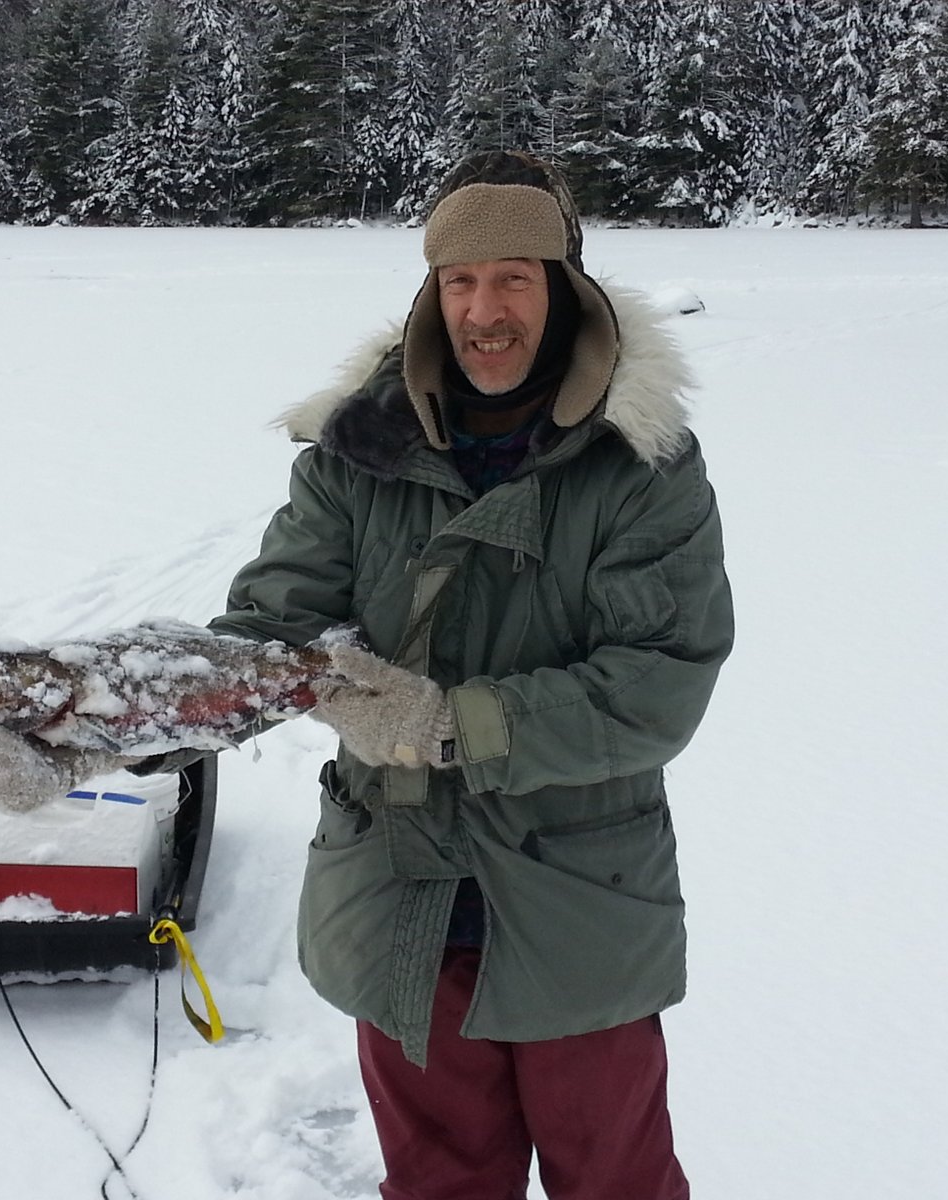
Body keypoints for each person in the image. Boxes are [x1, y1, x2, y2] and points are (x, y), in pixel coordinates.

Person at [202, 150, 734, 1200]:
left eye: (514, 278)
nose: (484, 310)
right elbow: (261, 641)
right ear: (430, 294)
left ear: (565, 291)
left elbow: (659, 681)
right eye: (460, 281)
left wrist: (453, 721)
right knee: (440, 1184)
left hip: (575, 900)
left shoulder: (643, 465)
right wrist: (75, 726)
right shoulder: (355, 452)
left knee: (614, 1180)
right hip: (398, 891)